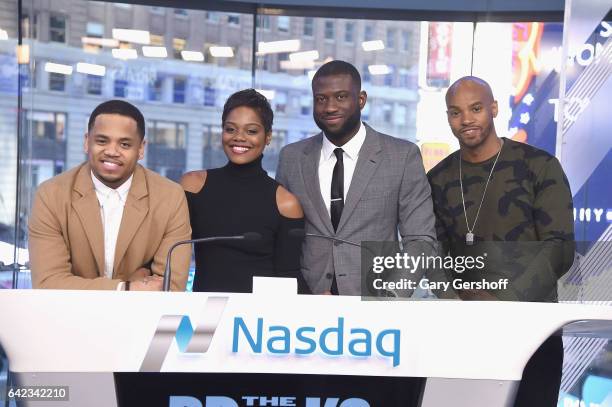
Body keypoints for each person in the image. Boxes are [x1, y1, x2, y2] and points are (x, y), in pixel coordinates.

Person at [427, 76, 575, 406]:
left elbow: (559, 248)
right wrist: (456, 302)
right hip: (463, 333)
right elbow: (431, 253)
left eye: (476, 108)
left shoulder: (539, 166)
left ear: (493, 108)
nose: (466, 119)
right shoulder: (437, 179)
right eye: (455, 112)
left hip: (533, 331)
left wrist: (498, 301)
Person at [276, 60, 436, 296]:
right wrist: (301, 294)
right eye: (321, 99)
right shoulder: (292, 157)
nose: (329, 107)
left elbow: (421, 241)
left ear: (361, 99)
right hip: (306, 306)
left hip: (376, 310)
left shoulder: (402, 156)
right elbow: (282, 240)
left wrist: (390, 296)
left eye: (341, 97)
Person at [29, 100, 191, 291]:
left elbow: (169, 286)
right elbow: (48, 283)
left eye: (124, 144)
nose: (112, 152)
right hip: (70, 317)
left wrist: (78, 283)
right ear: (86, 142)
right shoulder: (50, 195)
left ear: (141, 149)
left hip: (140, 319)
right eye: (102, 141)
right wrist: (127, 287)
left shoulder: (170, 197)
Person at [180, 89, 307, 293]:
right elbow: (171, 250)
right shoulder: (193, 185)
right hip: (203, 314)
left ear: (268, 137)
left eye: (251, 131)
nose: (239, 138)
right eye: (231, 129)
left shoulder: (286, 203)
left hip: (257, 319)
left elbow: (289, 276)